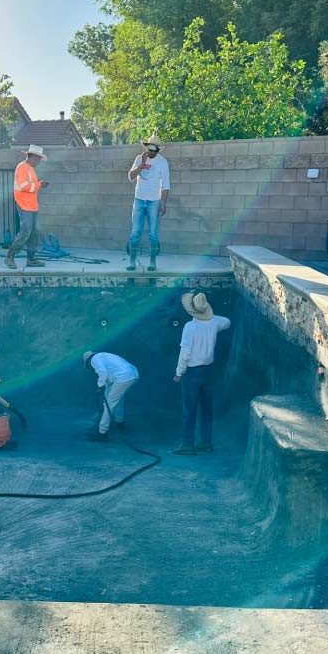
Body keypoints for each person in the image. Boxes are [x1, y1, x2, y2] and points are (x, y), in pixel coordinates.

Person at [171, 292, 231, 456]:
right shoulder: (215, 322)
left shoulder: (190, 327)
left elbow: (185, 353)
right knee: (207, 408)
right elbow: (228, 322)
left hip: (192, 372)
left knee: (189, 409)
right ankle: (206, 442)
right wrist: (211, 318)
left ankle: (187, 444)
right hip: (209, 371)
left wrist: (178, 373)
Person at [127, 134, 170, 272]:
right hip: (139, 200)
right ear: (147, 148)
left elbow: (166, 185)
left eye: (154, 150)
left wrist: (163, 203)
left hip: (154, 201)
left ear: (158, 150)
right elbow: (131, 176)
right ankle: (132, 262)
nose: (152, 152)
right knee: (135, 233)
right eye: (150, 149)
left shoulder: (163, 162)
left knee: (153, 234)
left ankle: (153, 262)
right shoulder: (139, 158)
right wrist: (141, 164)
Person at [6, 144, 50, 269]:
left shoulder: (30, 168)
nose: (39, 162)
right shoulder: (22, 167)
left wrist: (38, 184)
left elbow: (30, 185)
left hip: (32, 205)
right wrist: (39, 185)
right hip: (24, 205)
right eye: (39, 159)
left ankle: (31, 259)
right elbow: (24, 186)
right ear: (33, 157)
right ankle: (10, 257)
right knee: (25, 232)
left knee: (33, 233)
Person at [82, 350, 139, 441]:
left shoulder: (94, 359)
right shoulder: (105, 357)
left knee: (109, 403)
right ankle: (120, 422)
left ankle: (102, 433)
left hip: (124, 376)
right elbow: (109, 384)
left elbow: (102, 372)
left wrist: (100, 385)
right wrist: (103, 387)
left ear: (88, 361)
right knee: (118, 400)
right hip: (132, 374)